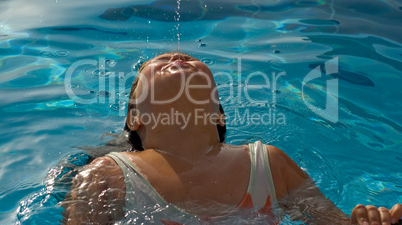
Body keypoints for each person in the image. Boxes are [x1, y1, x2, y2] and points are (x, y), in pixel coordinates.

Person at [62, 52, 402, 224]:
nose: (175, 57)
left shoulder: (268, 163)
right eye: (153, 65)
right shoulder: (109, 175)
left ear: (218, 115)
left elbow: (331, 222)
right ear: (134, 118)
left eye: (192, 61)